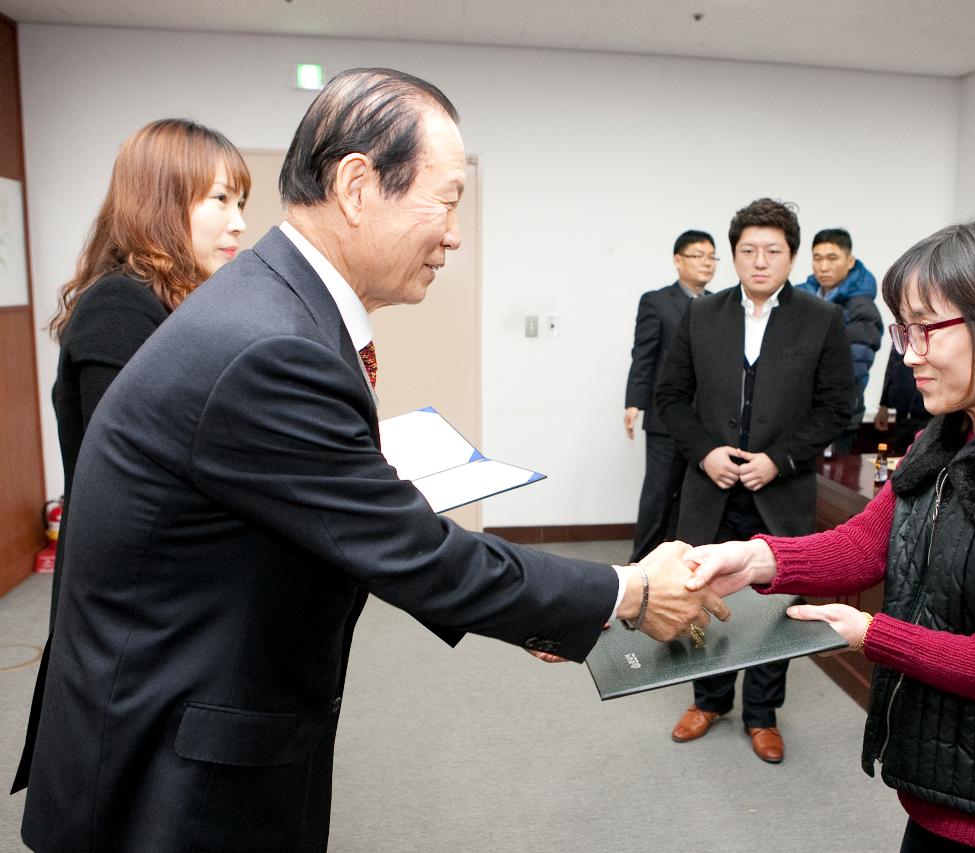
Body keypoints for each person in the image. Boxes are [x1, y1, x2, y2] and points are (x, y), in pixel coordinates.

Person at [15, 68, 727, 852]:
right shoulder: (273, 343)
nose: (455, 232)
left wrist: (540, 606)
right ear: (357, 186)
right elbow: (408, 551)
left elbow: (345, 519)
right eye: (447, 200)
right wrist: (625, 590)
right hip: (170, 765)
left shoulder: (276, 305)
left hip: (192, 709)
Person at [684, 220, 975, 851]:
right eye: (905, 329)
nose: (909, 353)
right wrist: (755, 558)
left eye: (928, 329)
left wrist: (873, 634)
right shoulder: (949, 436)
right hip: (951, 787)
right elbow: (867, 543)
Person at [655, 199, 854, 764]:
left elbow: (838, 407)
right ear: (733, 255)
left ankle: (763, 714)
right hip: (710, 488)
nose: (759, 262)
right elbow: (669, 398)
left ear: (792, 256)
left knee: (775, 606)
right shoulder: (703, 314)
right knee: (703, 594)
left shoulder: (821, 319)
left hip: (780, 491)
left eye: (772, 251)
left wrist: (781, 460)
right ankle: (709, 700)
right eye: (748, 251)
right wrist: (704, 452)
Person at [42, 118, 250, 626]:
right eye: (221, 199)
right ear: (161, 203)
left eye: (239, 203)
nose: (239, 223)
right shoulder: (119, 305)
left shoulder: (178, 305)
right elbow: (133, 475)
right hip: (129, 597)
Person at [624, 230, 716, 563]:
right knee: (659, 494)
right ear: (678, 260)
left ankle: (680, 566)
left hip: (704, 421)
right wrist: (634, 402)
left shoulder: (717, 304)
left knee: (691, 497)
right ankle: (640, 565)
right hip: (665, 419)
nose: (706, 263)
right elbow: (644, 353)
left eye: (712, 256)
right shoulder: (657, 301)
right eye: (698, 255)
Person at [797, 228, 883, 454]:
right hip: (801, 415)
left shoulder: (861, 307)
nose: (823, 267)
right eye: (817, 258)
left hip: (838, 417)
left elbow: (853, 368)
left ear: (849, 261)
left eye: (832, 258)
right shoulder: (802, 297)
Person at [872, 345, 932, 456]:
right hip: (902, 416)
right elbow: (892, 367)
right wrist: (883, 406)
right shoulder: (899, 334)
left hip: (928, 416)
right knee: (900, 461)